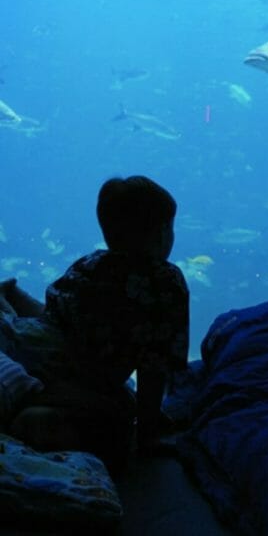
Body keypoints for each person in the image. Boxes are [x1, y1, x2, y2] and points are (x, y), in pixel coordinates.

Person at [0, 176, 189, 469]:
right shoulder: (166, 282)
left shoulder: (90, 263)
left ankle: (8, 299)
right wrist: (149, 425)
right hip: (76, 377)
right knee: (119, 419)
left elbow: (54, 311)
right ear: (164, 232)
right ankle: (39, 413)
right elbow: (155, 364)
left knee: (26, 334)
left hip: (37, 348)